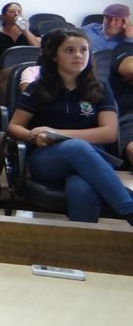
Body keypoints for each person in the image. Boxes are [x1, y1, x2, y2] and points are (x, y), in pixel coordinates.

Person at [8, 29, 133, 224]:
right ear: (54, 56)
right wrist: (33, 136)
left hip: (92, 158)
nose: (78, 55)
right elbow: (14, 126)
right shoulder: (37, 88)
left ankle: (82, 241)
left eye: (84, 50)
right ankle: (129, 209)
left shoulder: (100, 87)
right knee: (76, 147)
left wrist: (56, 133)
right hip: (47, 160)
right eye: (69, 50)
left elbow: (109, 133)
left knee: (81, 185)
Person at [0, 2, 41, 71]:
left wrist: (25, 31)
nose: (16, 14)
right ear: (3, 16)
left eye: (19, 12)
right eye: (12, 12)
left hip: (27, 69)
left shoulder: (32, 32)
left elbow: (38, 48)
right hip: (3, 69)